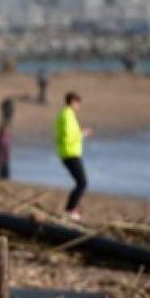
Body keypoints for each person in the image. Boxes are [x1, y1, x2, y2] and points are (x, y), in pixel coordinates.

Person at [54, 92, 92, 221]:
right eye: (78, 103)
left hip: (68, 152)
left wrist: (80, 133)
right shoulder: (67, 115)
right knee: (82, 182)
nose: (79, 106)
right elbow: (68, 137)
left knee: (80, 183)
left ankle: (70, 209)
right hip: (70, 153)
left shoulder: (65, 115)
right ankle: (70, 210)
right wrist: (83, 134)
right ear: (73, 102)